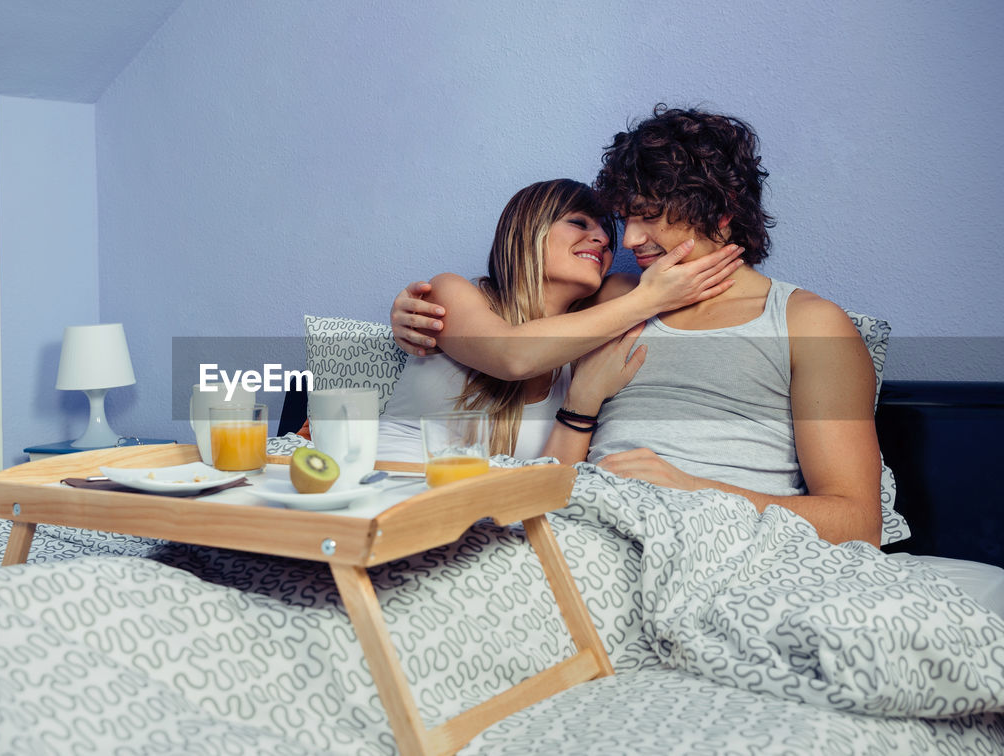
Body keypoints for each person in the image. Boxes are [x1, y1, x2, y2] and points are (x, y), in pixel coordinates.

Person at [392, 106, 882, 547]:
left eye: (648, 217)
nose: (628, 239)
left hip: (719, 537)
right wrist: (412, 316)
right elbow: (515, 335)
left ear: (724, 213)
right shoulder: (612, 297)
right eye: (625, 218)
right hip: (584, 528)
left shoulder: (810, 323)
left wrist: (696, 490)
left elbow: (858, 524)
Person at [376, 177, 744, 463]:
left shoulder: (587, 346)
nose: (602, 238)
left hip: (474, 525)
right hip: (380, 492)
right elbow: (512, 357)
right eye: (579, 222)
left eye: (607, 234)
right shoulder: (450, 292)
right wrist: (650, 297)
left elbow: (687, 272)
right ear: (527, 229)